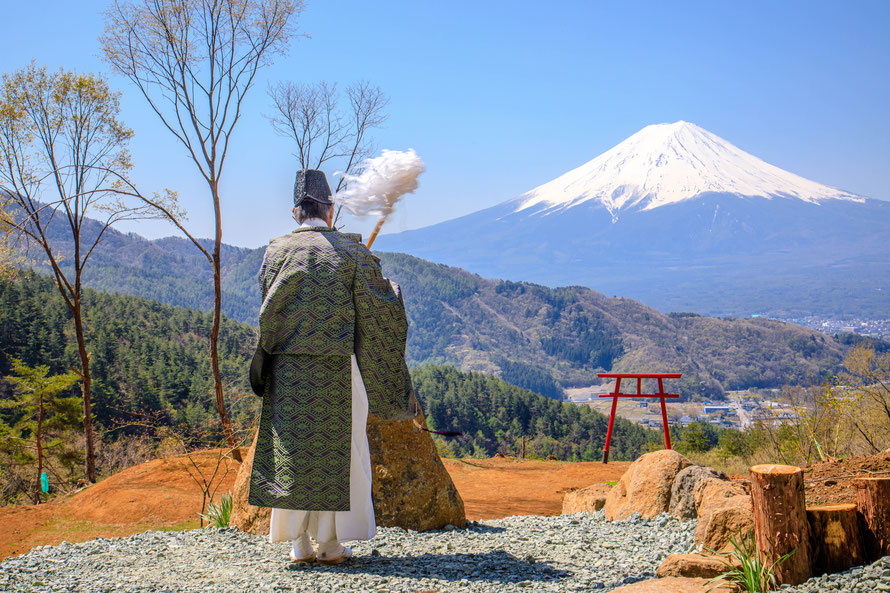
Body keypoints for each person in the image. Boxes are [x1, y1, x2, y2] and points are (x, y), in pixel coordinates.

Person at [248, 169, 417, 565]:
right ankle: (330, 544)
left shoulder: (275, 251)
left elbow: (269, 309)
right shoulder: (352, 252)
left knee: (293, 454)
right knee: (340, 454)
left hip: (287, 371)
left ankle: (298, 544)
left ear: (296, 213)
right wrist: (392, 288)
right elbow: (381, 309)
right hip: (338, 370)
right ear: (331, 209)